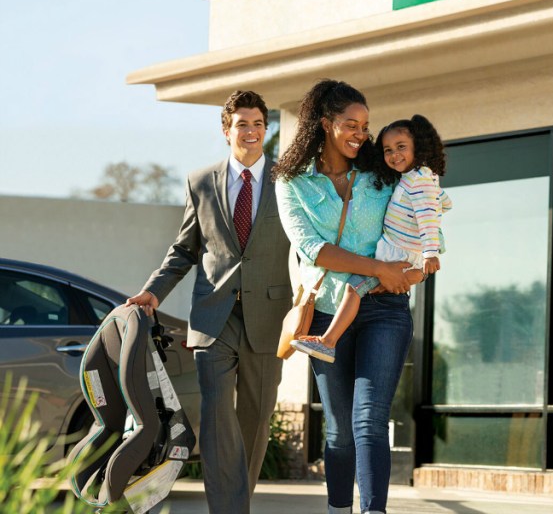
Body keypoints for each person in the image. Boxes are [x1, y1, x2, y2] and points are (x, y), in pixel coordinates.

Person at [126, 90, 292, 514]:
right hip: (213, 318)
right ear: (226, 130)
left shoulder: (288, 180)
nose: (251, 132)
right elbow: (184, 250)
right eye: (242, 124)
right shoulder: (200, 181)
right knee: (217, 417)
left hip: (269, 317)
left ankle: (238, 504)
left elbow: (308, 244)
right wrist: (153, 290)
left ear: (265, 128)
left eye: (258, 123)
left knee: (255, 422)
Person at [273, 79, 422, 514]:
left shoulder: (380, 171)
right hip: (325, 315)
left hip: (384, 308)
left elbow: (414, 213)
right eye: (351, 125)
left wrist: (418, 261)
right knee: (338, 430)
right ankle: (338, 509)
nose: (362, 133)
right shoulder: (292, 182)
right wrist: (378, 266)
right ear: (324, 123)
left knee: (370, 420)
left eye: (366, 125)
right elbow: (312, 248)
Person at [291, 114, 452, 363]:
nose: (394, 155)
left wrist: (430, 253)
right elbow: (439, 203)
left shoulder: (419, 180)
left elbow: (429, 216)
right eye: (388, 150)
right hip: (400, 253)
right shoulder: (413, 177)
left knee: (353, 287)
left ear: (417, 148)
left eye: (401, 147)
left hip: (397, 254)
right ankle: (329, 341)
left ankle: (328, 341)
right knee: (361, 287)